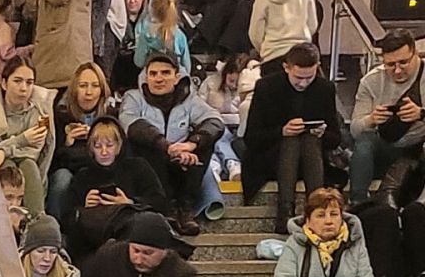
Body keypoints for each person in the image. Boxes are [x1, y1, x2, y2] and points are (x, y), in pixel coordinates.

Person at [119, 54, 224, 235]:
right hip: (149, 167)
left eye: (165, 73)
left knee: (206, 143)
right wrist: (167, 147)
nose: (158, 78)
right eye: (153, 74)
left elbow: (215, 121)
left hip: (181, 164)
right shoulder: (133, 97)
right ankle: (166, 208)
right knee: (142, 142)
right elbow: (131, 124)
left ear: (176, 77)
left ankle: (185, 209)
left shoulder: (189, 99)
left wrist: (191, 145)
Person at [241, 44, 342, 228]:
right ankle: (294, 208)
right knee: (292, 139)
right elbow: (252, 137)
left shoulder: (325, 88)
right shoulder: (266, 87)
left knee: (309, 139)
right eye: (298, 78)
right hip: (271, 158)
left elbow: (336, 138)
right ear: (286, 68)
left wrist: (322, 133)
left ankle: (309, 209)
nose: (303, 83)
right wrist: (282, 131)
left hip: (313, 158)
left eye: (309, 77)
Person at [64, 117, 168, 260]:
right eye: (98, 146)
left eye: (109, 145)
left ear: (119, 146)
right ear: (91, 148)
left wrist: (130, 203)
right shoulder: (83, 176)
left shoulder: (138, 167)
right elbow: (67, 219)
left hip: (131, 238)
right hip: (94, 243)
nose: (104, 151)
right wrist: (84, 208)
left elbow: (160, 203)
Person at [349, 29, 425, 204]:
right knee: (365, 140)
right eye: (390, 65)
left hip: (419, 147)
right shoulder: (371, 81)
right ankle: (358, 203)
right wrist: (371, 119)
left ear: (415, 53)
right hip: (389, 147)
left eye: (403, 62)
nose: (397, 70)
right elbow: (354, 129)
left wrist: (420, 113)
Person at [0, 58, 56, 215]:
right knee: (8, 166)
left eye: (29, 83)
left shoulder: (40, 112)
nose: (24, 88)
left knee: (28, 164)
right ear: (4, 83)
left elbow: (34, 151)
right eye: (17, 81)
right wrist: (21, 140)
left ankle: (36, 222)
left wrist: (4, 150)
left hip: (33, 171)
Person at [48, 63, 114, 218]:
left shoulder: (110, 114)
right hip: (69, 169)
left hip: (101, 168)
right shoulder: (60, 113)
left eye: (95, 86)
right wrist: (67, 143)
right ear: (74, 89)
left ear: (102, 90)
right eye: (83, 86)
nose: (89, 92)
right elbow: (54, 160)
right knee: (61, 179)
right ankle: (57, 228)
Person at [200, 54, 259, 183]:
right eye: (231, 81)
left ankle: (216, 166)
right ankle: (231, 164)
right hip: (217, 124)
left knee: (218, 136)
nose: (233, 86)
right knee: (218, 134)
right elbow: (200, 107)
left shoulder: (250, 86)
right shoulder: (210, 84)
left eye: (237, 83)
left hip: (240, 128)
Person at [133, 0, 193, 77]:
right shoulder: (180, 35)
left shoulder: (146, 33)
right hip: (176, 78)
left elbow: (139, 62)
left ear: (152, 9)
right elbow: (187, 66)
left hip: (152, 79)